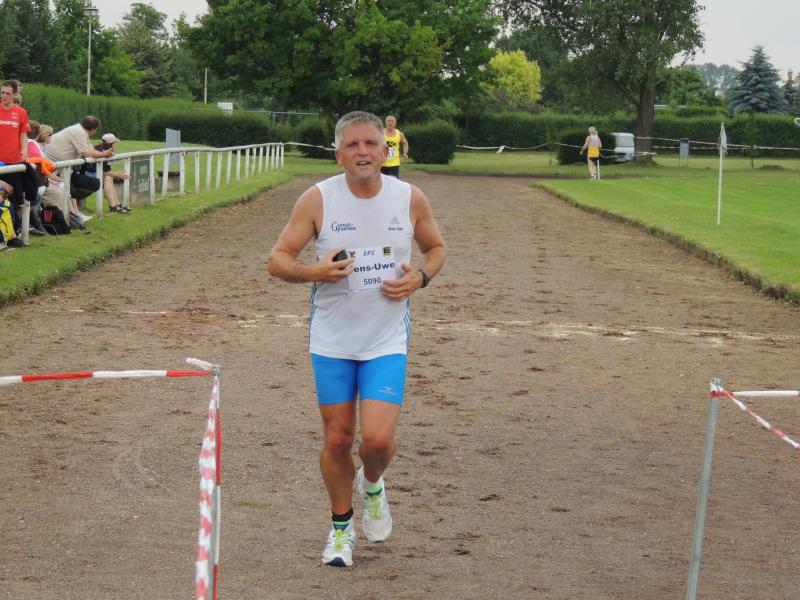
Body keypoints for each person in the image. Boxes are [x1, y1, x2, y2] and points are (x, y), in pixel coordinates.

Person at [267, 110, 445, 568]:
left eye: (370, 144)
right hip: (333, 339)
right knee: (338, 438)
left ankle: (372, 484)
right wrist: (313, 272)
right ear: (338, 154)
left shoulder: (409, 197)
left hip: (386, 338)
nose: (362, 152)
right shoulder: (317, 199)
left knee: (378, 442)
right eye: (352, 145)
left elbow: (436, 248)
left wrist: (421, 277)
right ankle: (341, 529)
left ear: (386, 151)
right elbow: (278, 259)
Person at [45, 115, 114, 224]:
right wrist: (104, 154)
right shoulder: (79, 132)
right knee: (71, 185)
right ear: (94, 129)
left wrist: (102, 153)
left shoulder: (80, 131)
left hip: (60, 167)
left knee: (75, 184)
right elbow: (87, 153)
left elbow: (89, 149)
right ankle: (73, 214)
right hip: (50, 167)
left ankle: (75, 213)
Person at [85, 133, 131, 213]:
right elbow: (103, 172)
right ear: (111, 144)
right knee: (108, 178)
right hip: (88, 176)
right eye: (115, 143)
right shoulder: (100, 153)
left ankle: (116, 204)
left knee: (109, 178)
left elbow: (105, 172)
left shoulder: (104, 151)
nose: (116, 145)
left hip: (94, 174)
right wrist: (118, 175)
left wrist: (117, 174)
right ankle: (113, 206)